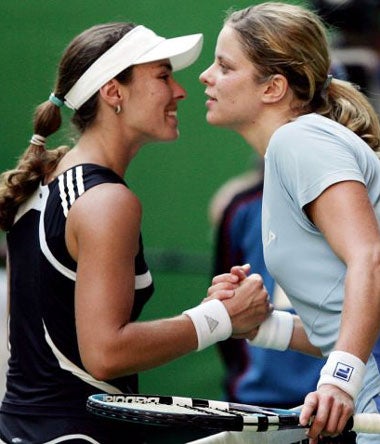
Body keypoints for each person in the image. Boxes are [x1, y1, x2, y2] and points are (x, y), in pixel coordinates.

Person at [0, 22, 272, 443]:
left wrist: (210, 315)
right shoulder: (107, 200)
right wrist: (220, 318)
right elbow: (106, 354)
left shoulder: (48, 179)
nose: (179, 91)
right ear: (114, 92)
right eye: (163, 76)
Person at [199, 2, 380, 443]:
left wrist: (338, 379)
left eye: (224, 66)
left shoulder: (299, 140)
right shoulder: (298, 148)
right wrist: (264, 326)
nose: (206, 76)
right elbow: (344, 325)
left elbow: (370, 257)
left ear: (273, 87)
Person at [209, 161, 326, 409]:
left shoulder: (355, 200)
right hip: (258, 402)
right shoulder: (243, 206)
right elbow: (228, 319)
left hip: (341, 400)